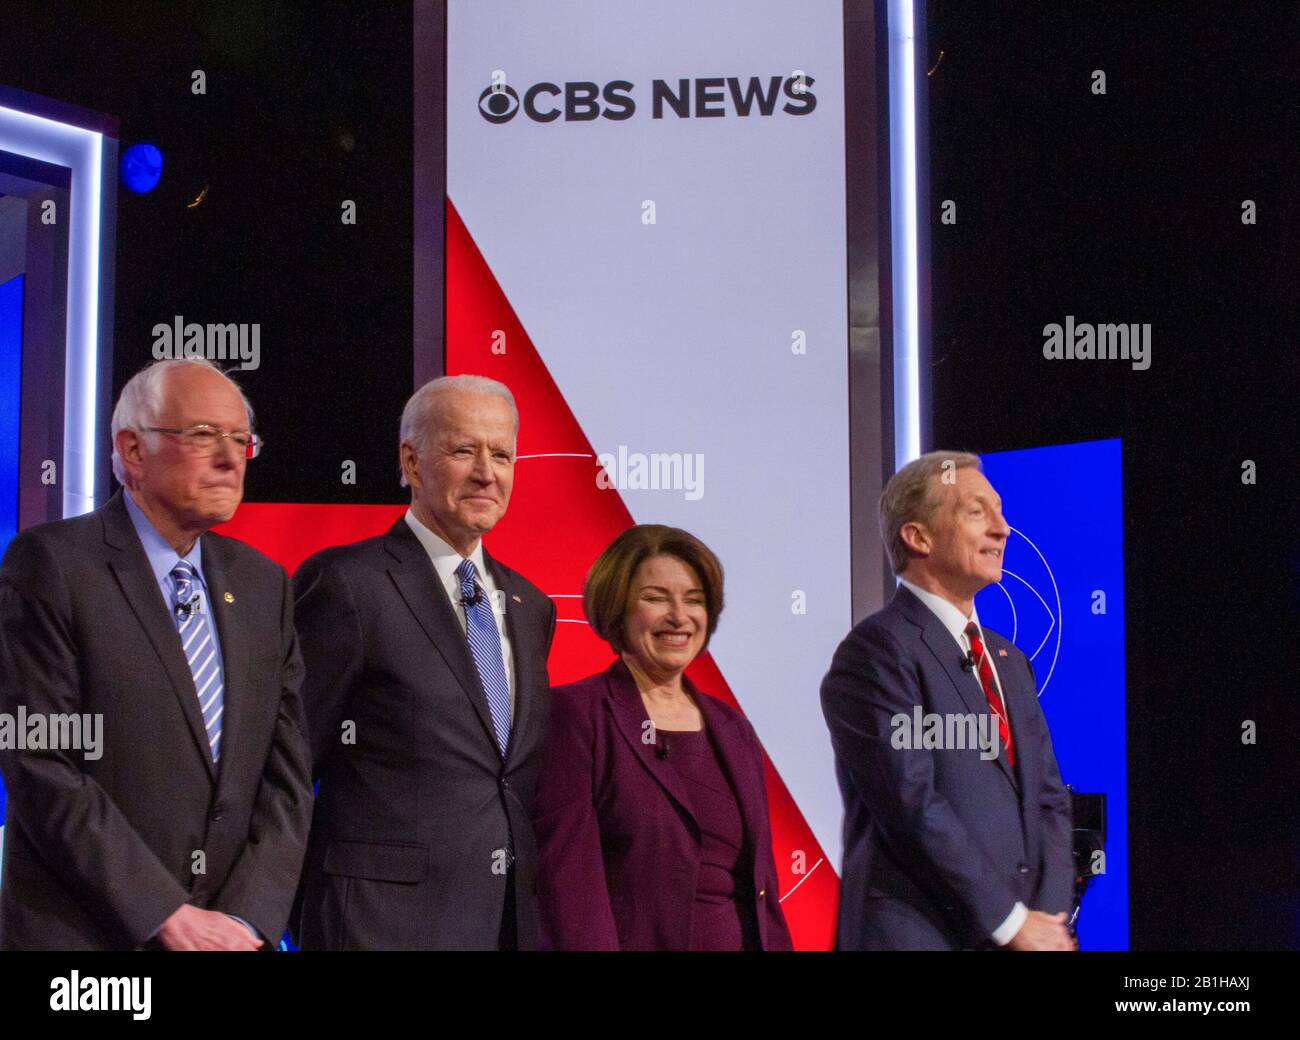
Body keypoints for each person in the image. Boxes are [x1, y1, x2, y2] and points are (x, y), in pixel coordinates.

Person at [0, 358, 313, 950]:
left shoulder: (263, 584)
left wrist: (247, 921)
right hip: (87, 942)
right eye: (203, 436)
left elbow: (287, 778)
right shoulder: (52, 566)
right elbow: (42, 765)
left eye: (241, 440)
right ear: (133, 450)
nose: (230, 459)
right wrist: (166, 913)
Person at [291, 375, 555, 950]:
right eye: (464, 450)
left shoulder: (532, 607)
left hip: (503, 923)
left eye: (502, 454)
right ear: (411, 461)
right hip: (376, 926)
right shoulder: (348, 584)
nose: (488, 472)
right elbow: (287, 765)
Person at [820, 450, 1075, 951]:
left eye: (1000, 511)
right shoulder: (877, 653)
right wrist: (1010, 923)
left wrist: (1046, 915)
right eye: (977, 512)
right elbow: (911, 803)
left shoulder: (1009, 660)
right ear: (918, 536)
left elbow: (1048, 797)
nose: (1002, 529)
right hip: (920, 935)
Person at [534, 524, 792, 950]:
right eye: (655, 598)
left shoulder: (733, 729)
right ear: (617, 608)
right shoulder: (577, 715)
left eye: (694, 600)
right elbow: (569, 884)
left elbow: (761, 889)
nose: (679, 616)